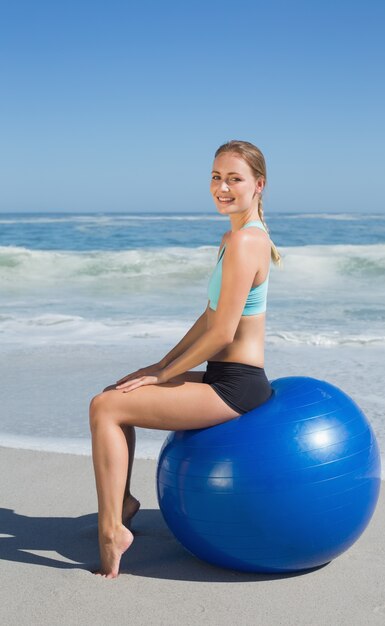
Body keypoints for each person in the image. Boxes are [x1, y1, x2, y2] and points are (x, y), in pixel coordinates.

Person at [89, 139, 281, 578]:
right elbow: (208, 316)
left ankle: (111, 530)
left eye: (235, 178)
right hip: (225, 376)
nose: (222, 187)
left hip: (236, 387)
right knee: (117, 391)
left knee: (105, 408)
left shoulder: (245, 243)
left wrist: (163, 377)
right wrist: (158, 367)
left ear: (259, 185)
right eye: (216, 177)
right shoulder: (233, 237)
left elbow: (222, 333)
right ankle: (122, 504)